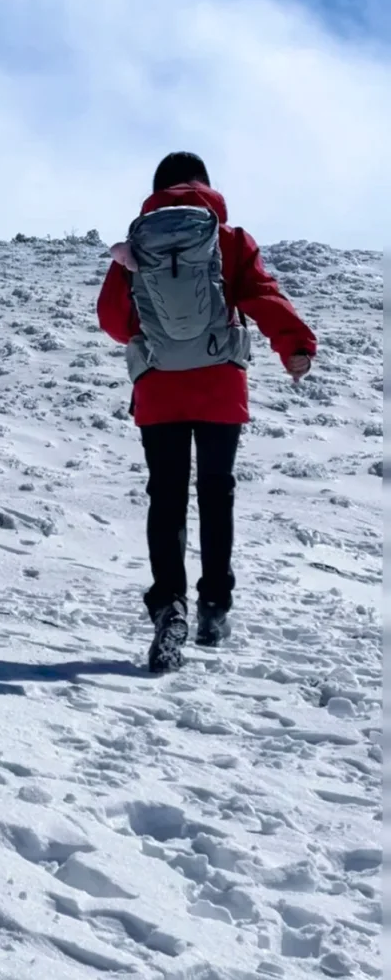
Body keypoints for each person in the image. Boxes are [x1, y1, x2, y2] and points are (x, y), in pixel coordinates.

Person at [97, 152, 317, 672]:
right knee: (217, 493)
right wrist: (294, 345)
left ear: (157, 189)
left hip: (159, 388)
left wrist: (150, 336)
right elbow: (262, 294)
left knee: (166, 497)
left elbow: (110, 318)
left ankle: (169, 607)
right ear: (205, 186)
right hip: (221, 385)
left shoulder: (135, 247)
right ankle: (214, 606)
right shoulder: (229, 237)